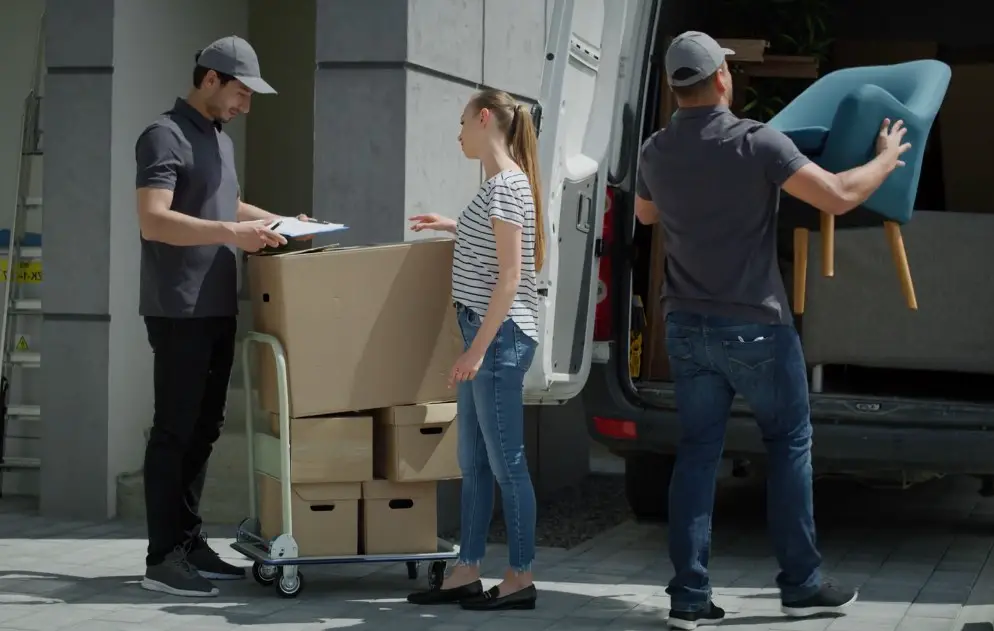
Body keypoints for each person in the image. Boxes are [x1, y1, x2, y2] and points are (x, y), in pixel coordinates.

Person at [634, 31, 911, 629]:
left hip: (683, 325)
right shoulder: (756, 143)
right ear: (723, 79)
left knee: (698, 453)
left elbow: (645, 213)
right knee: (787, 443)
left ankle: (688, 598)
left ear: (674, 86)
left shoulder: (654, 151)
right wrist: (887, 158)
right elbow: (837, 197)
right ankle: (801, 585)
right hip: (755, 326)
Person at [134, 35, 312, 598]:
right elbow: (154, 219)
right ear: (209, 78)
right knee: (174, 431)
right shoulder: (163, 134)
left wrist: (284, 222)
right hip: (178, 309)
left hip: (215, 305)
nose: (246, 106)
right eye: (241, 93)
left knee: (205, 430)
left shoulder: (216, 139)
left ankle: (188, 543)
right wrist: (234, 235)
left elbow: (224, 204)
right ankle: (162, 558)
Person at [404, 89, 545, 611]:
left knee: (506, 463)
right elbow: (497, 246)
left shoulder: (506, 185)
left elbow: (510, 278)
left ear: (485, 119)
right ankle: (466, 569)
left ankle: (520, 577)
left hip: (498, 338)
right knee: (474, 460)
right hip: (485, 336)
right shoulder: (500, 185)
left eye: (463, 122)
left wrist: (476, 352)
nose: (459, 133)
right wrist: (453, 225)